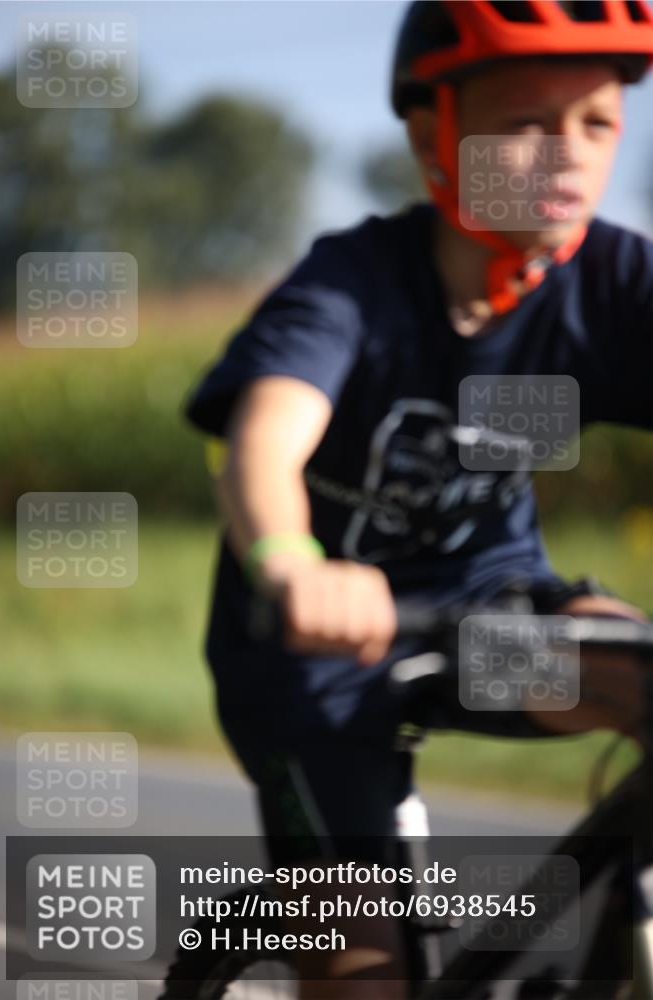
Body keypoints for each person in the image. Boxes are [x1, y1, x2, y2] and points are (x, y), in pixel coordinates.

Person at [185, 2, 653, 996]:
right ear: (432, 134)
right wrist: (290, 563)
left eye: (596, 122)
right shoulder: (354, 285)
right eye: (525, 124)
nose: (566, 154)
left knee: (642, 671)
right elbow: (262, 438)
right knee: (364, 970)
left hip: (487, 617)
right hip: (314, 658)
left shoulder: (610, 282)